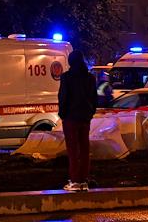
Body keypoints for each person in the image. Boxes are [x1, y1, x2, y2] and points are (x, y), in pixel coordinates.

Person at [57, 50, 97, 192]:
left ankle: (74, 180)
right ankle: (83, 180)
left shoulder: (67, 77)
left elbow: (63, 97)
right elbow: (94, 99)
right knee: (84, 149)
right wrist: (90, 113)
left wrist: (62, 114)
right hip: (85, 118)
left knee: (73, 150)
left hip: (70, 118)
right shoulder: (90, 78)